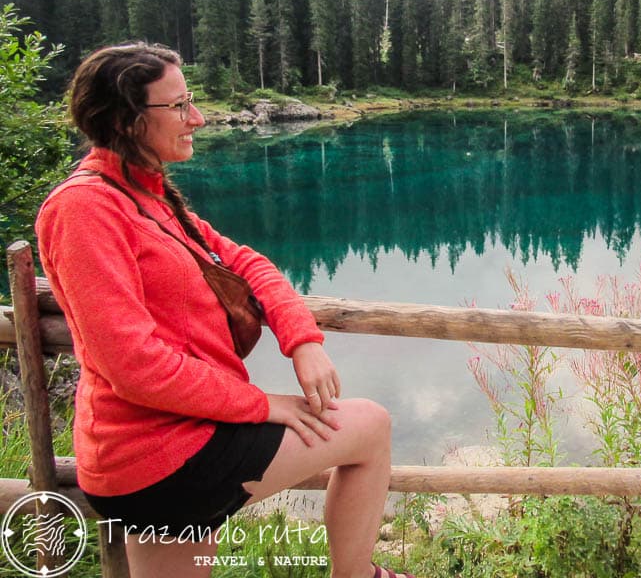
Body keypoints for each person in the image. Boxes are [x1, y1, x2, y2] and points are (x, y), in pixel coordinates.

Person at [35, 42, 415, 578]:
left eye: (191, 101)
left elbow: (247, 262)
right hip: (159, 456)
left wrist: (302, 341)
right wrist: (260, 404)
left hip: (169, 446)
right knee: (369, 426)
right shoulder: (84, 210)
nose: (199, 117)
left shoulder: (147, 197)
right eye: (179, 106)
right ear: (126, 119)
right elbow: (132, 364)